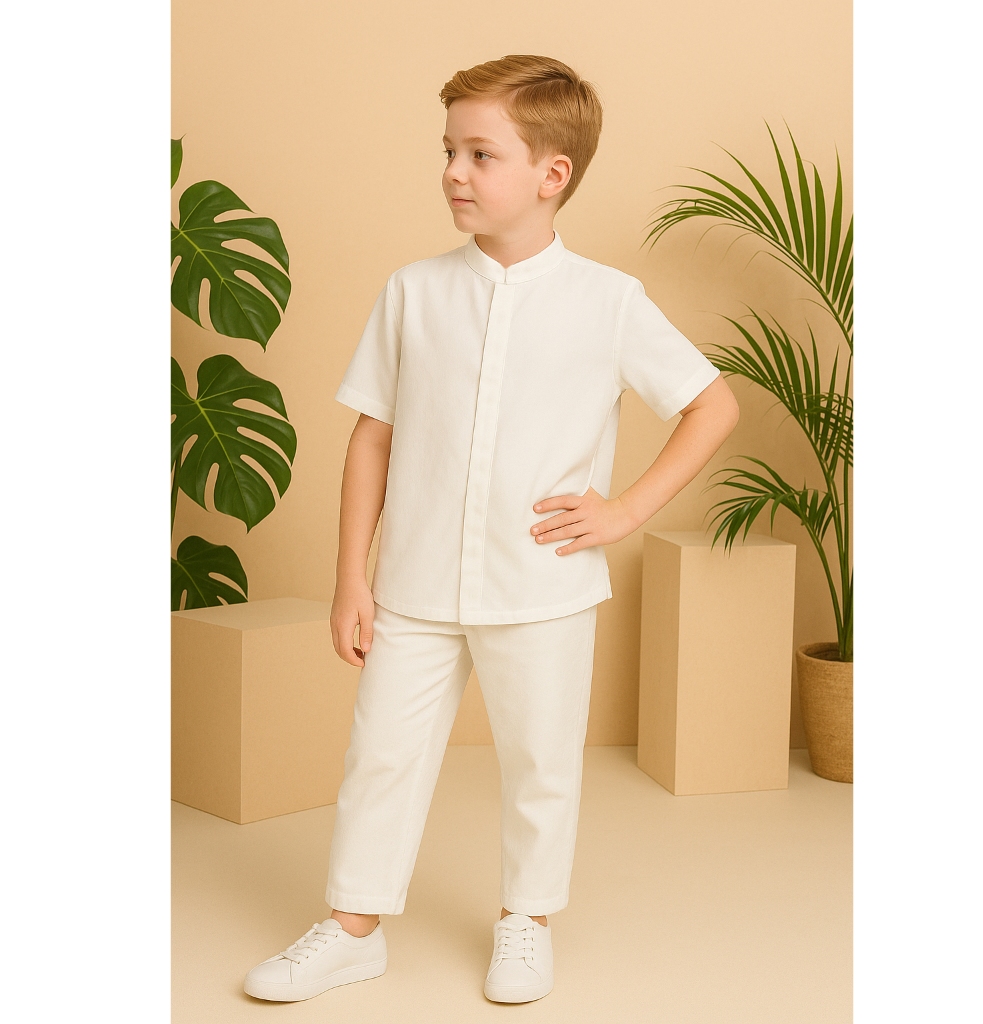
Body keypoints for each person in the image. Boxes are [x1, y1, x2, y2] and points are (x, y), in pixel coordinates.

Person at [243, 53, 739, 1005]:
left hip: (542, 583)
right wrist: (352, 576)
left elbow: (711, 406)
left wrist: (626, 510)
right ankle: (352, 928)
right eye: (448, 151)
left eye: (480, 154)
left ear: (552, 173)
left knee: (541, 762)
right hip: (415, 583)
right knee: (381, 754)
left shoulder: (608, 301)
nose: (453, 173)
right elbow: (372, 438)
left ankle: (527, 920)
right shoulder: (413, 292)